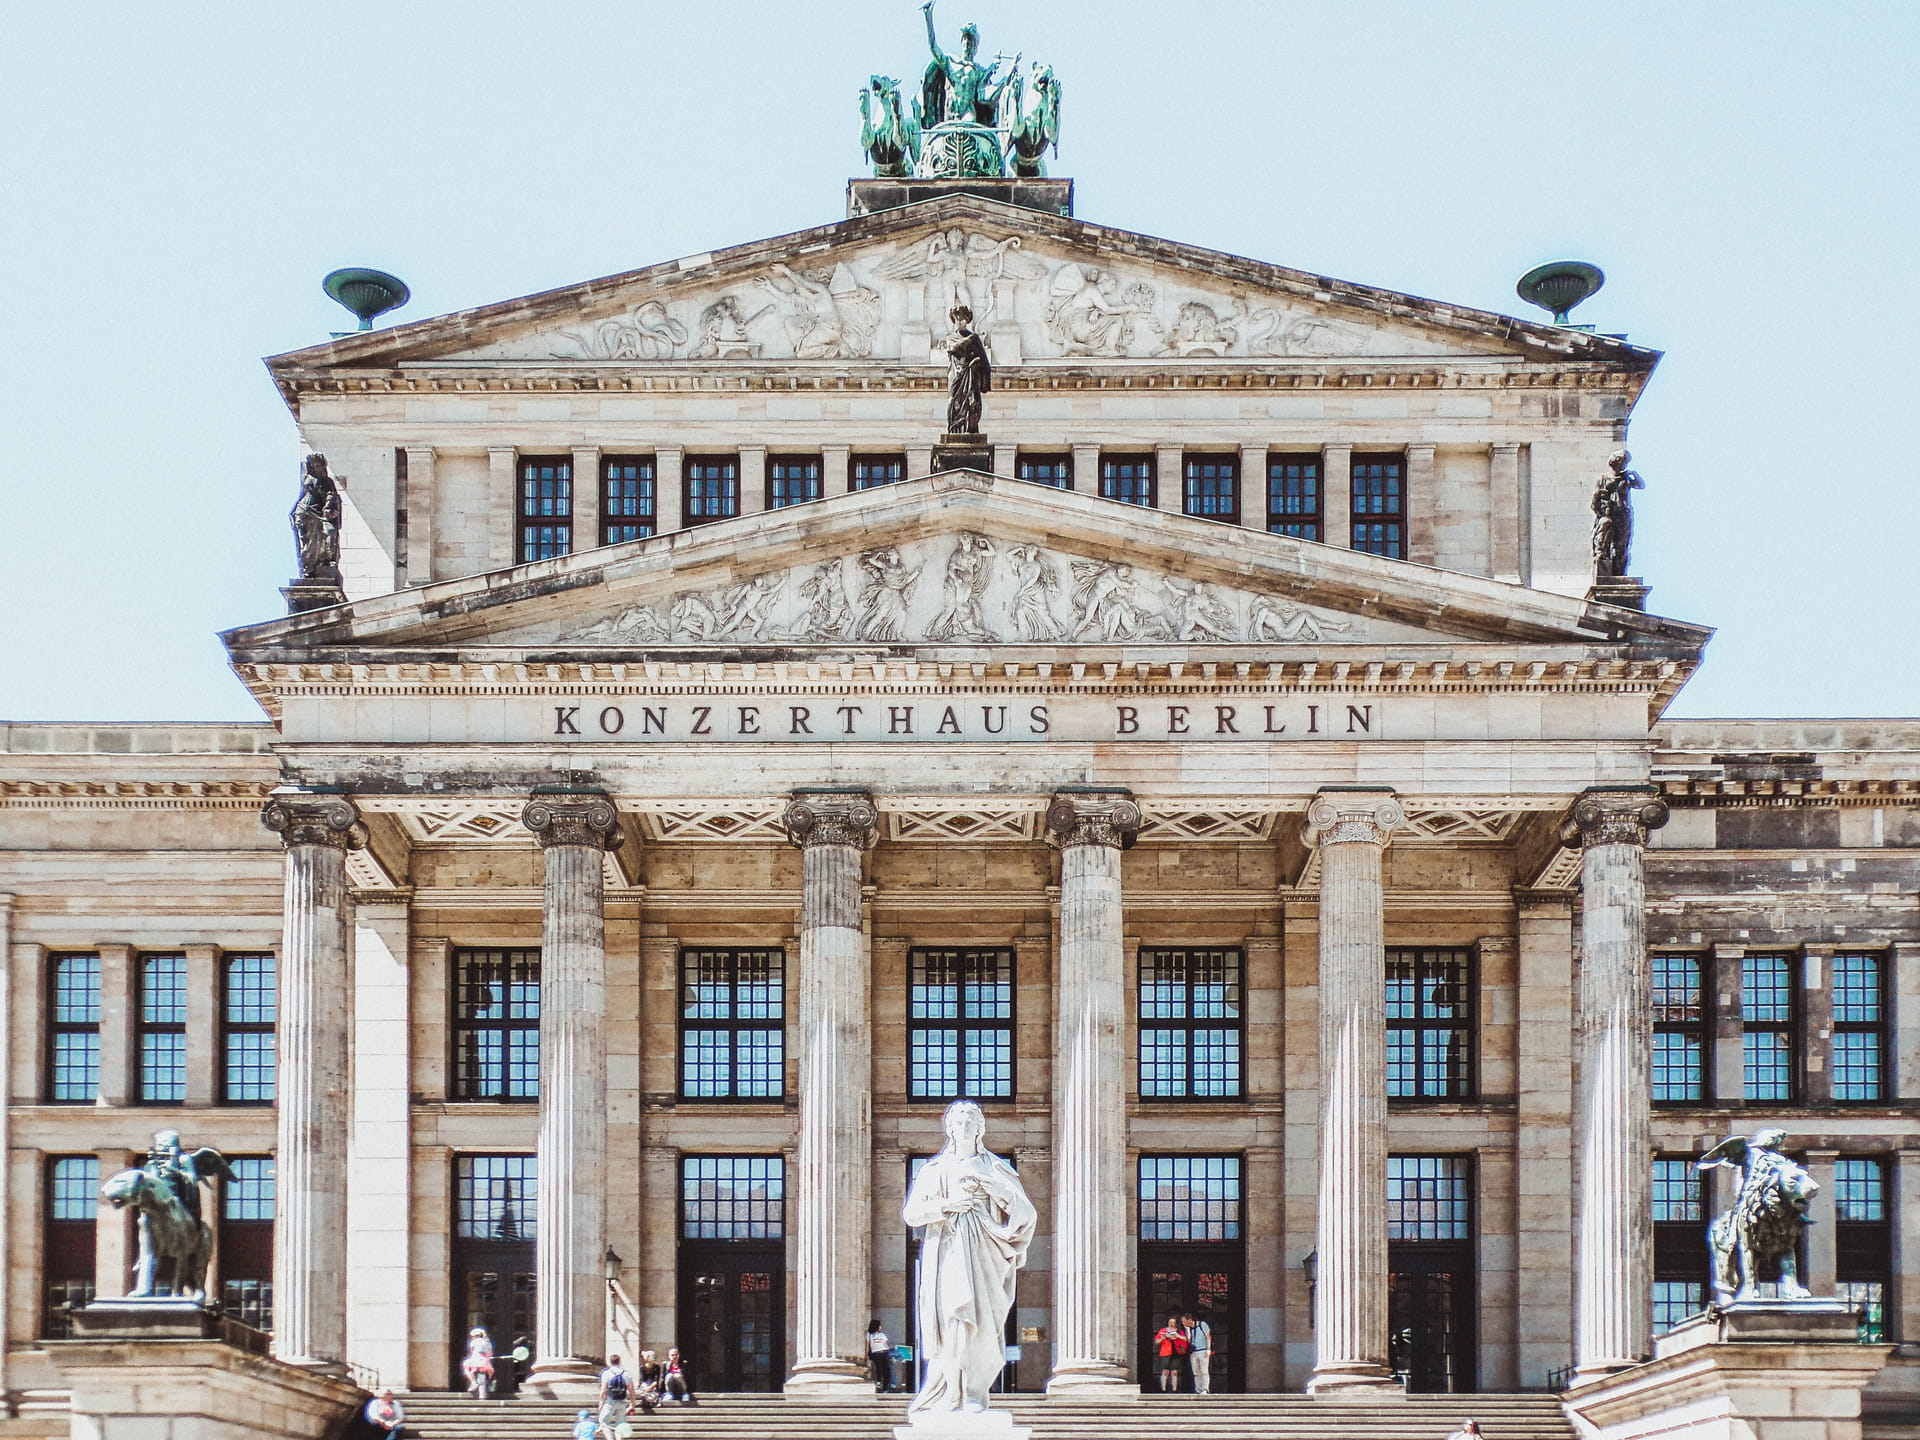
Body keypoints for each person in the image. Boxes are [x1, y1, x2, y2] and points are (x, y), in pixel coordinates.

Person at [900, 1100, 1037, 1416]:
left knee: (982, 1326)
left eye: (971, 1122)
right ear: (949, 1128)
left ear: (980, 1129)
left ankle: (975, 1392)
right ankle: (952, 1392)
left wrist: (993, 1188)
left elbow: (1026, 1212)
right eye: (958, 1122)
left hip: (986, 1253)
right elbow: (911, 1214)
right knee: (952, 1319)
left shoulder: (996, 1167)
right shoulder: (934, 1170)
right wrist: (947, 1206)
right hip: (947, 1252)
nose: (964, 1127)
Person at [597, 1353, 634, 1435]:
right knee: (620, 1425)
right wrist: (632, 1404)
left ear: (610, 1362)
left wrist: (601, 1403)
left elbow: (603, 1390)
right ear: (619, 1361)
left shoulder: (607, 1373)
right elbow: (631, 1390)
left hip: (610, 1401)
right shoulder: (626, 1374)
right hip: (622, 1401)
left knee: (604, 1423)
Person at [1153, 1315, 1188, 1392]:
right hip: (1165, 1352)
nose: (1171, 1324)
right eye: (1170, 1322)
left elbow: (1186, 1339)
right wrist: (1163, 1338)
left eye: (1173, 1322)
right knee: (1165, 1371)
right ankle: (1163, 1389)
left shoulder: (1179, 1331)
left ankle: (1174, 1389)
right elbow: (1156, 1342)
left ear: (1176, 1323)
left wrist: (1177, 1336)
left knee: (1174, 1372)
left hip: (1176, 1353)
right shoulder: (1163, 1331)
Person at [1183, 1311, 1212, 1396]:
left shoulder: (1202, 1324)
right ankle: (1198, 1389)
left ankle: (1205, 1388)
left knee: (1204, 1370)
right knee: (1196, 1371)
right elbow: (1188, 1340)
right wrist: (1187, 1330)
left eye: (1184, 1321)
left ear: (1190, 1319)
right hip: (1193, 1352)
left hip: (1203, 1350)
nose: (1183, 1323)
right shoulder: (1188, 1328)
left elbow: (1208, 1336)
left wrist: (1208, 1349)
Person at [461, 1328, 494, 1399]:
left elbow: (472, 1351)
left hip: (475, 1360)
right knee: (482, 1376)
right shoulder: (487, 1342)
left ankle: (473, 1382)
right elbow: (490, 1353)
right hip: (484, 1361)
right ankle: (482, 1394)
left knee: (466, 1368)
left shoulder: (473, 1342)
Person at [868, 1320, 893, 1392]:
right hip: (876, 1353)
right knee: (879, 1368)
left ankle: (885, 1386)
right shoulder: (869, 1335)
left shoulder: (882, 1335)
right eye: (879, 1325)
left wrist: (889, 1350)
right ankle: (879, 1382)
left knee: (885, 1370)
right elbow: (867, 1345)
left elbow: (885, 1344)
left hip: (883, 1352)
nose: (880, 1327)